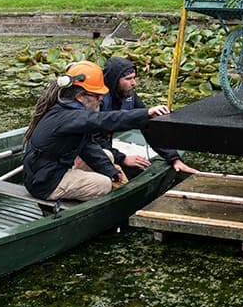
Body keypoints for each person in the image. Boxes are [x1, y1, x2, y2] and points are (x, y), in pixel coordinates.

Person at [22, 60, 171, 202]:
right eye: (97, 95)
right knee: (103, 184)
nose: (101, 99)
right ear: (80, 96)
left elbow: (88, 147)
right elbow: (105, 120)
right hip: (45, 182)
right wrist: (146, 113)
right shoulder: (72, 117)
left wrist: (112, 172)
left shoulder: (67, 108)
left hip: (47, 170)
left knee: (107, 156)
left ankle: (84, 184)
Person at [100, 55, 198, 175]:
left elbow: (148, 126)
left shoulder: (129, 96)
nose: (133, 83)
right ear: (114, 80)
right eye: (128, 79)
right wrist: (122, 158)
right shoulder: (98, 100)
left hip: (106, 144)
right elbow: (93, 140)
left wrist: (173, 158)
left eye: (134, 78)